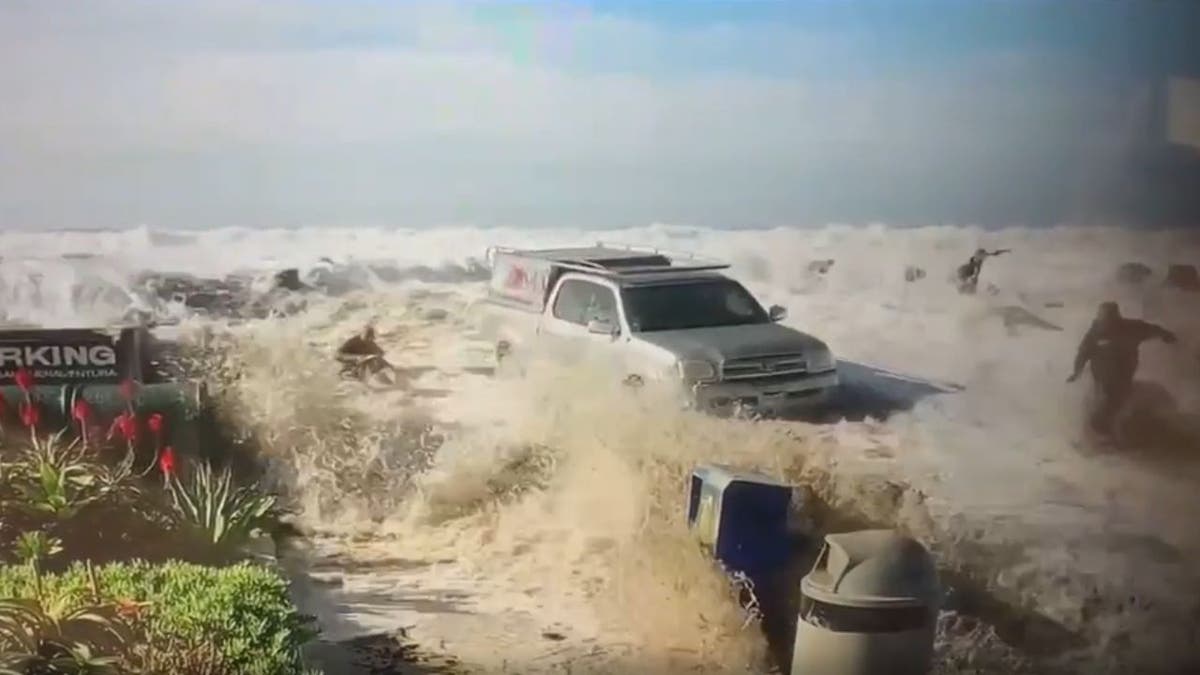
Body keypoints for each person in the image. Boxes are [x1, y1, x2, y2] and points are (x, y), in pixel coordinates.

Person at [1067, 301, 1177, 437]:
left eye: (1109, 319)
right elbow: (1083, 353)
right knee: (1106, 399)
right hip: (1102, 374)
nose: (1106, 323)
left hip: (1124, 373)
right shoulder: (1095, 333)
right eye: (1103, 318)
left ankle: (1107, 428)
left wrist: (1166, 335)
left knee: (1117, 400)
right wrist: (1076, 371)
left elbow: (1151, 329)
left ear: (1117, 317)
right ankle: (1100, 429)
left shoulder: (1131, 328)